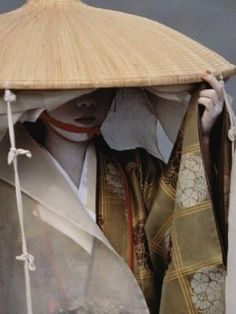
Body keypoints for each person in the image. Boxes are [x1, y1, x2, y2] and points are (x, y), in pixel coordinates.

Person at [0, 72, 230, 313]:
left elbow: (185, 234)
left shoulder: (138, 173)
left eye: (99, 86)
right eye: (70, 88)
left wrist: (200, 138)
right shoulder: (8, 184)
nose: (87, 100)